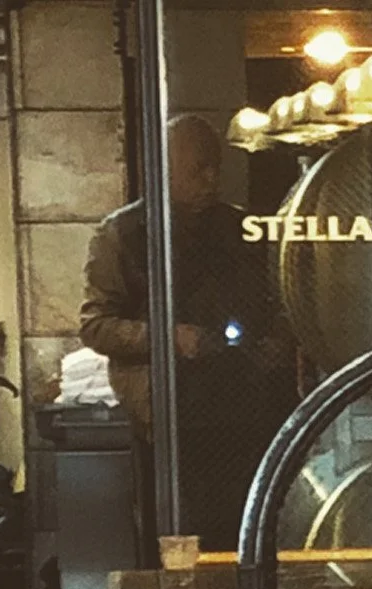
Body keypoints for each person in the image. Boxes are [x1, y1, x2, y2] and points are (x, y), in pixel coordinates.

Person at [79, 114, 294, 551]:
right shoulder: (122, 235)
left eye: (216, 167)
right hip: (173, 419)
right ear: (165, 169)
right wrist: (167, 338)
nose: (211, 180)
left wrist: (279, 340)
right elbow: (96, 326)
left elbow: (281, 301)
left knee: (248, 536)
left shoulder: (241, 228)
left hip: (244, 411)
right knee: (180, 544)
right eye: (198, 169)